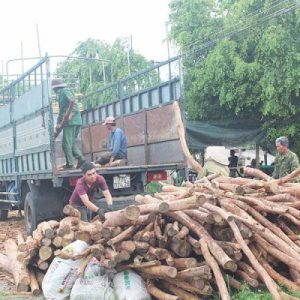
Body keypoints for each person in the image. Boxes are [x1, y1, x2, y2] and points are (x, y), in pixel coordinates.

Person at [52, 79, 85, 170]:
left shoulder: (64, 91)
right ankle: (80, 158)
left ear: (56, 88)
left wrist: (71, 113)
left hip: (71, 122)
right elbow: (62, 111)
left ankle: (70, 165)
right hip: (75, 121)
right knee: (71, 143)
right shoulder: (61, 95)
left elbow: (72, 101)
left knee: (66, 145)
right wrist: (58, 124)